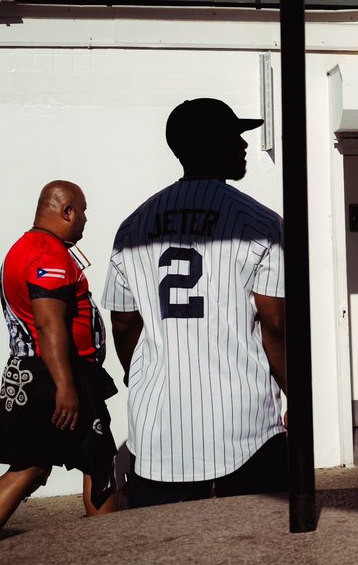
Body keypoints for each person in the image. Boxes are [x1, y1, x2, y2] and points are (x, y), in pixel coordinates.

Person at [100, 97, 288, 507]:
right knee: (262, 544)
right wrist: (297, 394)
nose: (243, 146)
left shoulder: (133, 226)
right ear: (212, 144)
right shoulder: (261, 222)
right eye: (235, 136)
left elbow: (124, 324)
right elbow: (275, 324)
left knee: (167, 548)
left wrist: (143, 376)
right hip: (246, 421)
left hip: (158, 425)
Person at [0, 181, 118, 561]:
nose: (85, 219)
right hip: (58, 374)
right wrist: (66, 386)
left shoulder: (22, 248)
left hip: (33, 371)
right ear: (66, 211)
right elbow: (50, 325)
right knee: (98, 464)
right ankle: (112, 551)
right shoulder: (47, 253)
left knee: (29, 466)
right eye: (82, 210)